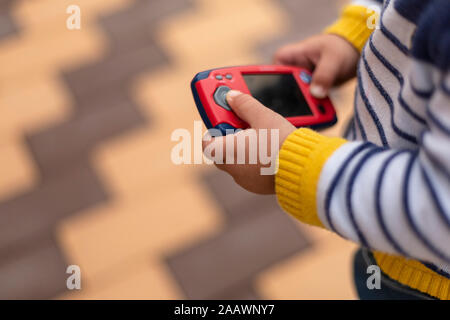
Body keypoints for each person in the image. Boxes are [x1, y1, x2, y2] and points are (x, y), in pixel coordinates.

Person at [202, 0, 450, 299]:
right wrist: (358, 32)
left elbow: (439, 204)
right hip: (386, 232)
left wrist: (289, 165)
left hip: (424, 278)